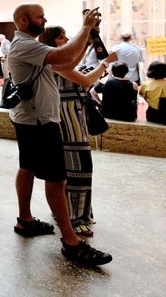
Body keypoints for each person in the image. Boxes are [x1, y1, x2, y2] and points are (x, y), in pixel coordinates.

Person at [8, 4, 112, 266]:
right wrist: (86, 27)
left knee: (28, 167)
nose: (45, 19)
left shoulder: (29, 46)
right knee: (57, 181)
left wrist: (86, 38)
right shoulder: (24, 45)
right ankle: (71, 242)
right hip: (41, 122)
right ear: (23, 20)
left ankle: (25, 220)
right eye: (40, 16)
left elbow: (67, 61)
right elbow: (65, 55)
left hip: (31, 119)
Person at [38, 26, 118, 237]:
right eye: (61, 36)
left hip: (73, 115)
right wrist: (106, 62)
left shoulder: (58, 60)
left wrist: (89, 40)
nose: (66, 39)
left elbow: (81, 74)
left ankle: (72, 212)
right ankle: (75, 216)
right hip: (67, 118)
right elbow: (86, 80)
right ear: (52, 41)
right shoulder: (54, 61)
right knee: (78, 167)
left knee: (73, 168)